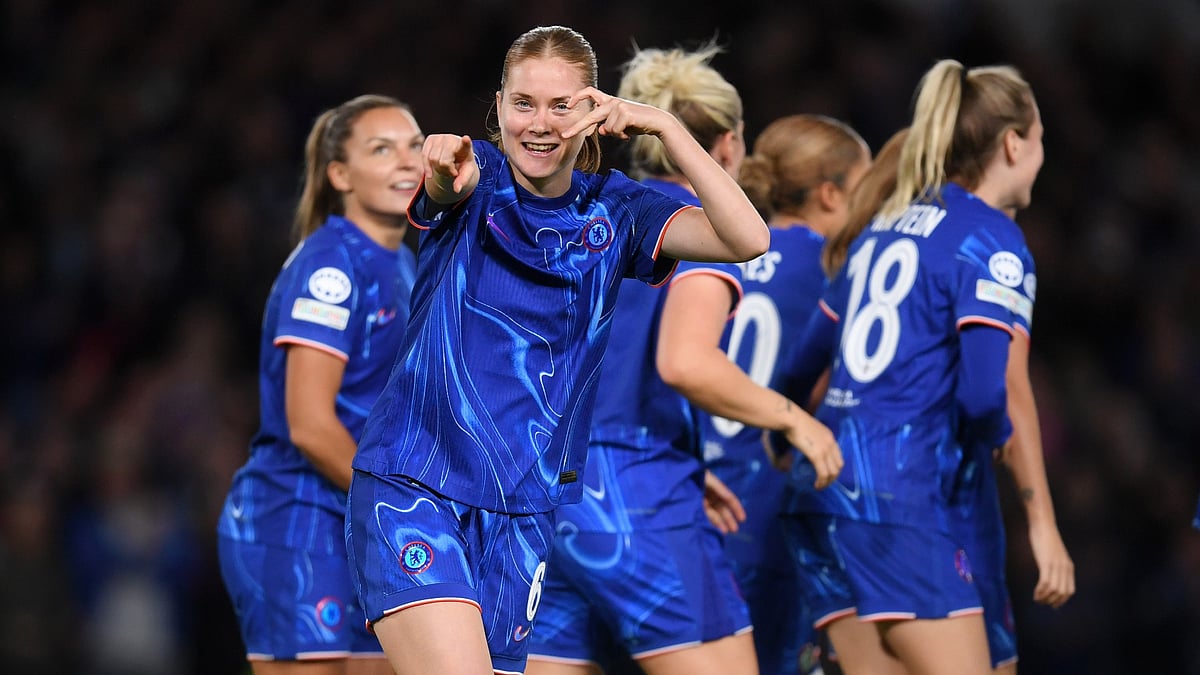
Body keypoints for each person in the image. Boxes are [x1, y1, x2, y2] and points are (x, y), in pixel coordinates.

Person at [344, 26, 776, 675]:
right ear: (498, 106)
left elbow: (747, 237)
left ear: (594, 109)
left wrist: (662, 126)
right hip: (417, 485)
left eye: (560, 105)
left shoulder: (621, 210)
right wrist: (439, 172)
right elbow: (441, 188)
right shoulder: (477, 174)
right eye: (524, 104)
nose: (539, 124)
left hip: (525, 509)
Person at [524, 45, 843, 675]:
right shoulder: (692, 227)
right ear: (726, 146)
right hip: (637, 491)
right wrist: (794, 420)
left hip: (546, 490)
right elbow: (685, 362)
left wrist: (684, 464)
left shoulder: (587, 216)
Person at [772, 59, 1049, 675]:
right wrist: (997, 442)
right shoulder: (992, 240)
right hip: (903, 499)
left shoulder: (882, 229)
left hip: (821, 499)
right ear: (1012, 143)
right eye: (1038, 141)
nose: (1041, 156)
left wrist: (783, 436)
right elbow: (984, 396)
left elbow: (799, 368)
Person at [216, 94, 423, 675]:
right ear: (340, 174)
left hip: (361, 527)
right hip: (297, 522)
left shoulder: (403, 264)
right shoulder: (330, 266)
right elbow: (309, 424)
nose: (406, 162)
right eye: (381, 149)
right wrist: (398, 505)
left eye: (413, 145)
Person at [700, 113, 869, 675]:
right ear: (829, 194)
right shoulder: (833, 268)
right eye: (864, 187)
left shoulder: (721, 252)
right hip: (775, 510)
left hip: (699, 505)